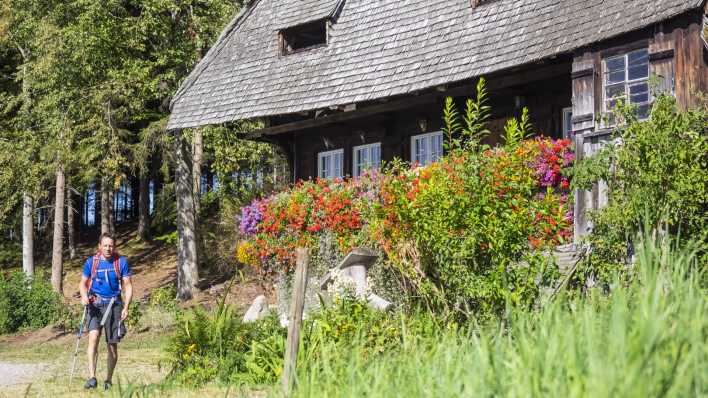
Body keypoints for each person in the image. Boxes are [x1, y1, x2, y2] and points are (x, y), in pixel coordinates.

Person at [78, 233, 133, 390]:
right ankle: (92, 377)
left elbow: (128, 285)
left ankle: (108, 380)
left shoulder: (121, 262)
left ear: (114, 247)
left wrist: (126, 307)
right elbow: (82, 283)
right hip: (95, 305)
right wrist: (83, 297)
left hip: (114, 305)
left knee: (111, 345)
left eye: (111, 245)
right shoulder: (92, 262)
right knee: (93, 337)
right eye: (105, 245)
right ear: (99, 247)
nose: (108, 248)